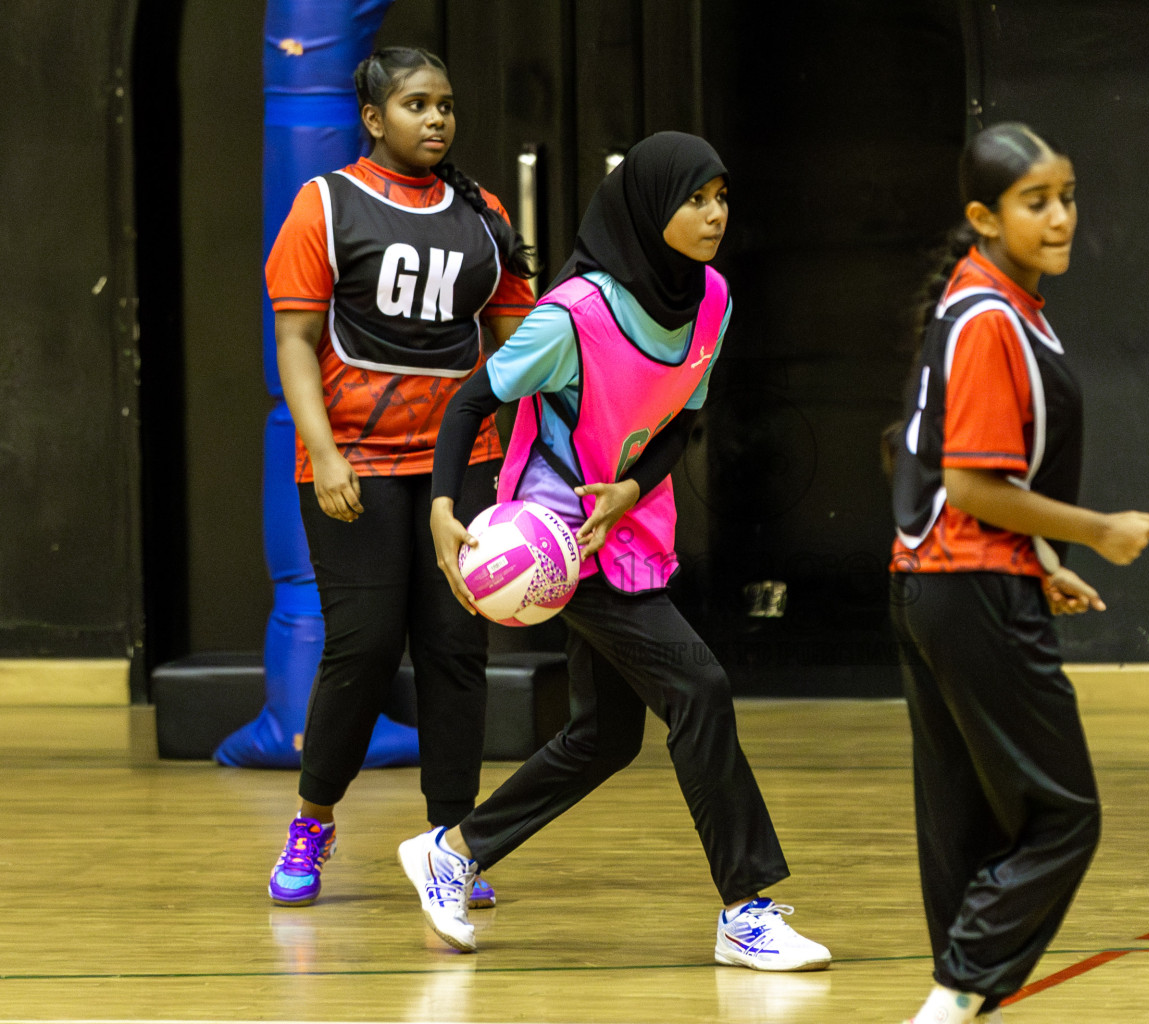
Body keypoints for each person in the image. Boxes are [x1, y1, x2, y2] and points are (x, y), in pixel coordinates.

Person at [400, 130, 831, 970]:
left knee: (604, 736)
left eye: (721, 197)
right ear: (647, 208)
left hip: (627, 524)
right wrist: (445, 509)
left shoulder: (711, 299)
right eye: (695, 200)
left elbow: (680, 421)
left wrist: (632, 488)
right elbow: (470, 402)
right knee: (700, 687)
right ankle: (746, 910)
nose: (715, 215)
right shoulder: (573, 317)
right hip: (556, 533)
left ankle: (453, 852)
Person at [887, 123, 1149, 1024]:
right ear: (982, 217)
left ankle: (958, 1000)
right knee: (1062, 816)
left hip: (937, 584)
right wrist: (1099, 532)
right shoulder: (990, 319)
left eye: (1067, 197)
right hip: (969, 589)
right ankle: (954, 995)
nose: (1060, 218)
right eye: (1035, 202)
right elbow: (972, 483)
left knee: (964, 825)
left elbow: (943, 476)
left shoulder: (985, 300)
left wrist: (1040, 561)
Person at [262, 46, 536, 909]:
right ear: (374, 118)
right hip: (355, 464)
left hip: (462, 463)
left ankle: (453, 844)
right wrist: (323, 452)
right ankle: (312, 820)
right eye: (417, 104)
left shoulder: (483, 214)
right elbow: (295, 342)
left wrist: (535, 457)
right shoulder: (326, 203)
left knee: (456, 650)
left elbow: (522, 344)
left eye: (445, 104)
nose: (437, 118)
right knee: (367, 646)